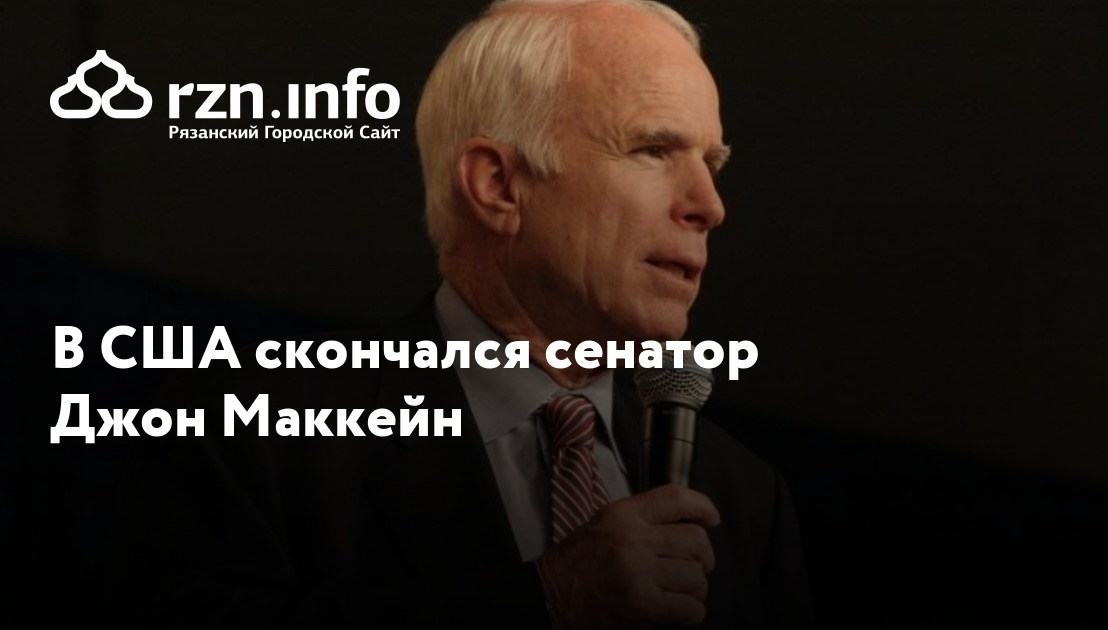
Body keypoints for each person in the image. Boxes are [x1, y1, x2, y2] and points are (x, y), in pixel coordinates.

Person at [116, 1, 813, 627]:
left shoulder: (743, 496)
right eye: (654, 150)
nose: (709, 206)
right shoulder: (254, 431)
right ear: (498, 184)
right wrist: (546, 600)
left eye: (712, 163)